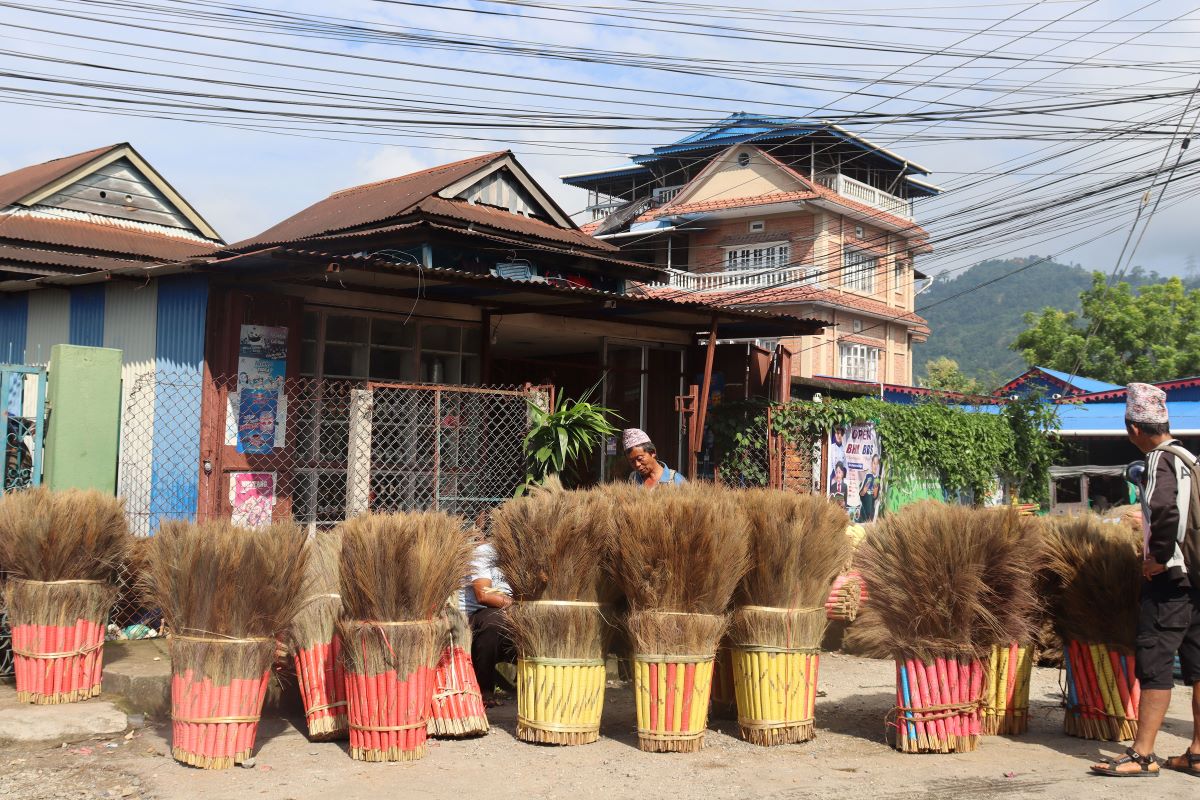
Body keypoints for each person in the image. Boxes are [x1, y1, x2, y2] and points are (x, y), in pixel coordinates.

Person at [1093, 383, 1200, 777]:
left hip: (1171, 580)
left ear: (1134, 429)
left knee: (1154, 662)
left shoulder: (1158, 460)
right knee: (1198, 664)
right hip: (1197, 579)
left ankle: (1142, 754)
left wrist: (1157, 558)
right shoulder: (1190, 457)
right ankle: (1198, 752)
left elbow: (1165, 509)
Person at [462, 516, 515, 707]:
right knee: (494, 623)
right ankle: (484, 689)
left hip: (507, 607)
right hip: (480, 612)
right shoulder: (484, 552)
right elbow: (483, 595)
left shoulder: (518, 554)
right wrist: (517, 606)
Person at [859, 455, 881, 522]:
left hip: (871, 514)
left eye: (877, 464)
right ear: (871, 464)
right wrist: (865, 488)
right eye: (874, 463)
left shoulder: (877, 479)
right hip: (863, 511)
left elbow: (874, 496)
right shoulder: (867, 476)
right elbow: (861, 494)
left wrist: (875, 487)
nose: (875, 466)